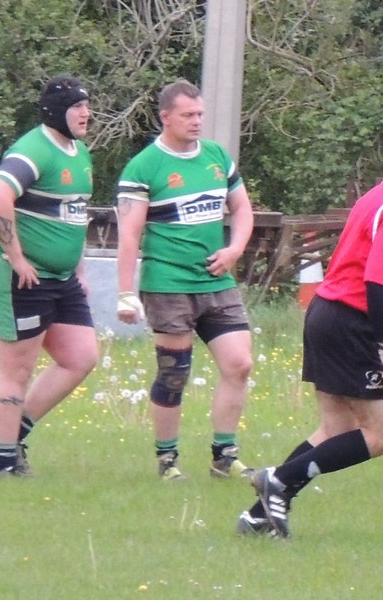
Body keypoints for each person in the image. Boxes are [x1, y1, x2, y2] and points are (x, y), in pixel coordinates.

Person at [237, 117, 383, 538]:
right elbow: (377, 280)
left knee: (335, 431)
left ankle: (258, 515)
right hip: (350, 324)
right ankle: (280, 481)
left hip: (328, 315)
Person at [115, 80, 255, 482]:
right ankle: (167, 460)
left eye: (200, 114)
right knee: (174, 372)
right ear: (165, 117)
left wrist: (234, 250)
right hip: (168, 284)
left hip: (216, 281)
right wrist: (126, 293)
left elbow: (242, 209)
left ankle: (224, 456)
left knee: (239, 363)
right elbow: (129, 234)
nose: (197, 122)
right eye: (188, 115)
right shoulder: (145, 166)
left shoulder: (215, 157)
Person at [0, 75, 98, 477]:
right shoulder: (34, 149)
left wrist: (77, 267)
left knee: (80, 357)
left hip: (60, 277)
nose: (86, 112)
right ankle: (4, 466)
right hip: (17, 273)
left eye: (87, 105)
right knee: (18, 368)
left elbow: (73, 213)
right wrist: (16, 256)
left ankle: (9, 433)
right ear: (56, 111)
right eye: (77, 106)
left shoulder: (79, 151)